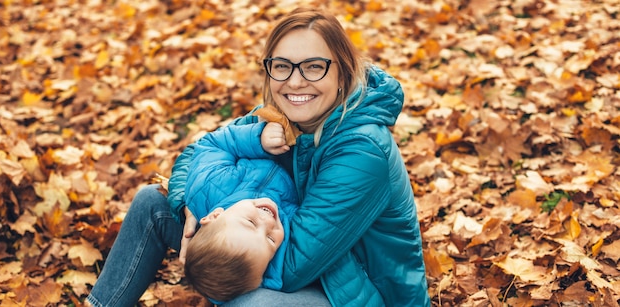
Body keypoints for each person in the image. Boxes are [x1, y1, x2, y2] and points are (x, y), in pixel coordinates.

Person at [86, 7, 430, 307]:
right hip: (265, 240)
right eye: (282, 66)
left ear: (342, 72)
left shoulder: (362, 149)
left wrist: (222, 254)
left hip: (351, 290)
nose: (295, 82)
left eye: (313, 66)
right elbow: (197, 151)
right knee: (153, 202)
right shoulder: (278, 116)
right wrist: (191, 206)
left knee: (255, 301)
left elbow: (295, 264)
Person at [181, 117, 299, 303]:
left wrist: (258, 139)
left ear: (215, 215)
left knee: (149, 197)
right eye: (270, 239)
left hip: (260, 144)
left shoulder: (208, 185)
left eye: (251, 222)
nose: (268, 222)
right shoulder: (290, 225)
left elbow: (212, 144)